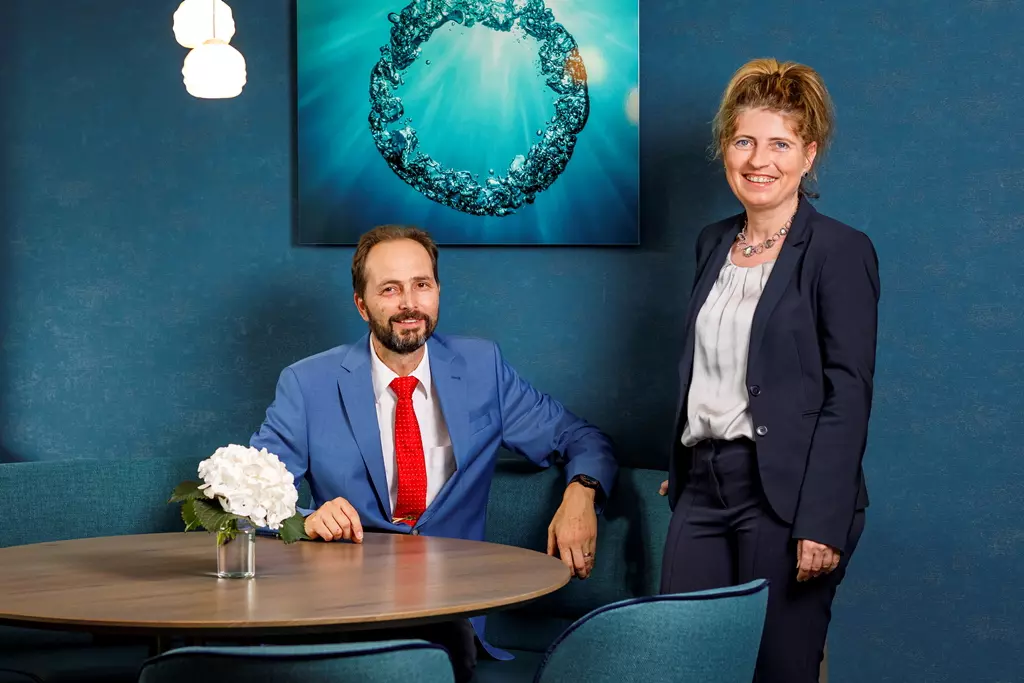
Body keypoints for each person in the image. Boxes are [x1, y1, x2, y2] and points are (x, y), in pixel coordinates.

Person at [250, 224, 618, 683]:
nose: (409, 303)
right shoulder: (308, 384)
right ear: (362, 305)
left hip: (449, 607)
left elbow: (580, 437)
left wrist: (581, 493)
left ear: (437, 291)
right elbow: (246, 497)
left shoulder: (483, 368)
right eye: (390, 289)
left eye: (421, 285)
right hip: (346, 605)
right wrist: (306, 520)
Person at [658, 58, 879, 683]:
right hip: (703, 488)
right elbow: (711, 365)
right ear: (725, 150)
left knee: (779, 669)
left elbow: (848, 393)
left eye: (780, 144)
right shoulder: (712, 243)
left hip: (788, 496)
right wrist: (689, 456)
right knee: (683, 662)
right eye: (744, 141)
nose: (759, 160)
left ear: (809, 155)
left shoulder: (840, 250)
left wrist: (822, 520)